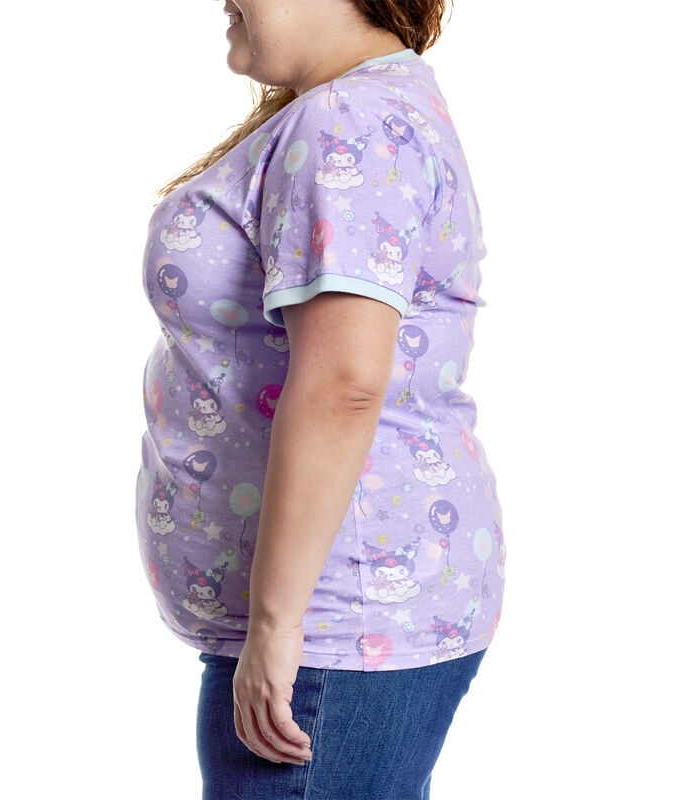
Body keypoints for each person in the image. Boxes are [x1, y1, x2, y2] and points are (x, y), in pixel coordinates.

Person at [134, 1, 506, 796]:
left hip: (331, 625)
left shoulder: (350, 122)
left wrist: (278, 625)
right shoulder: (355, 107)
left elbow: (344, 384)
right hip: (330, 618)